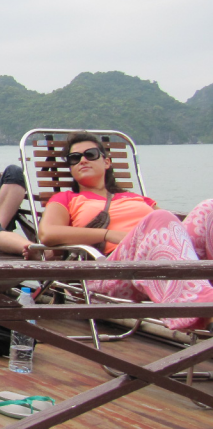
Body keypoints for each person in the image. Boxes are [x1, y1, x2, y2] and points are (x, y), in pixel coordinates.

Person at [37, 131, 213, 331]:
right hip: (111, 272)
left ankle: (201, 294)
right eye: (74, 158)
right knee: (159, 218)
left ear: (107, 162)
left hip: (157, 264)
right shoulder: (67, 198)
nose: (82, 160)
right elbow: (48, 233)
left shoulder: (137, 199)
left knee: (209, 208)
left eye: (91, 154)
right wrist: (108, 235)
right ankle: (204, 307)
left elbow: (174, 230)